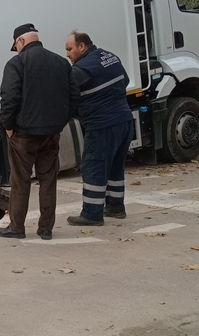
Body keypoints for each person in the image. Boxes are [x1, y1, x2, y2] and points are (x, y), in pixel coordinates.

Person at [0, 24, 78, 240]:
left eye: (16, 46)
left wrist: (9, 127)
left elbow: (9, 99)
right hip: (51, 134)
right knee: (48, 180)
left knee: (20, 181)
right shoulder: (61, 63)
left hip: (23, 135)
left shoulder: (16, 64)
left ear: (21, 41)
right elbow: (74, 99)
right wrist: (59, 123)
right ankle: (45, 229)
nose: (17, 50)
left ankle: (17, 227)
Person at [64, 31, 134, 226]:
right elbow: (125, 81)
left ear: (82, 46)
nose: (67, 54)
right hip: (125, 120)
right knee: (114, 167)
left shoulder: (82, 68)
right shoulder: (110, 56)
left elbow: (66, 92)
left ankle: (92, 214)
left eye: (70, 49)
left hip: (101, 124)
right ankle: (116, 207)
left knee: (93, 166)